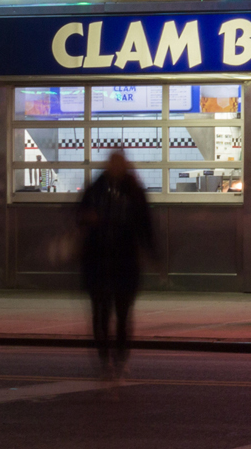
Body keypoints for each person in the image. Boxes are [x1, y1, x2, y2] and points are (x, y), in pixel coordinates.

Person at [77, 148, 153, 378]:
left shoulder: (130, 191)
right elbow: (78, 213)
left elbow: (145, 226)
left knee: (119, 313)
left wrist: (151, 252)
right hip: (101, 261)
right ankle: (106, 358)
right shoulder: (99, 189)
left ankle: (118, 357)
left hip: (121, 262)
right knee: (103, 313)